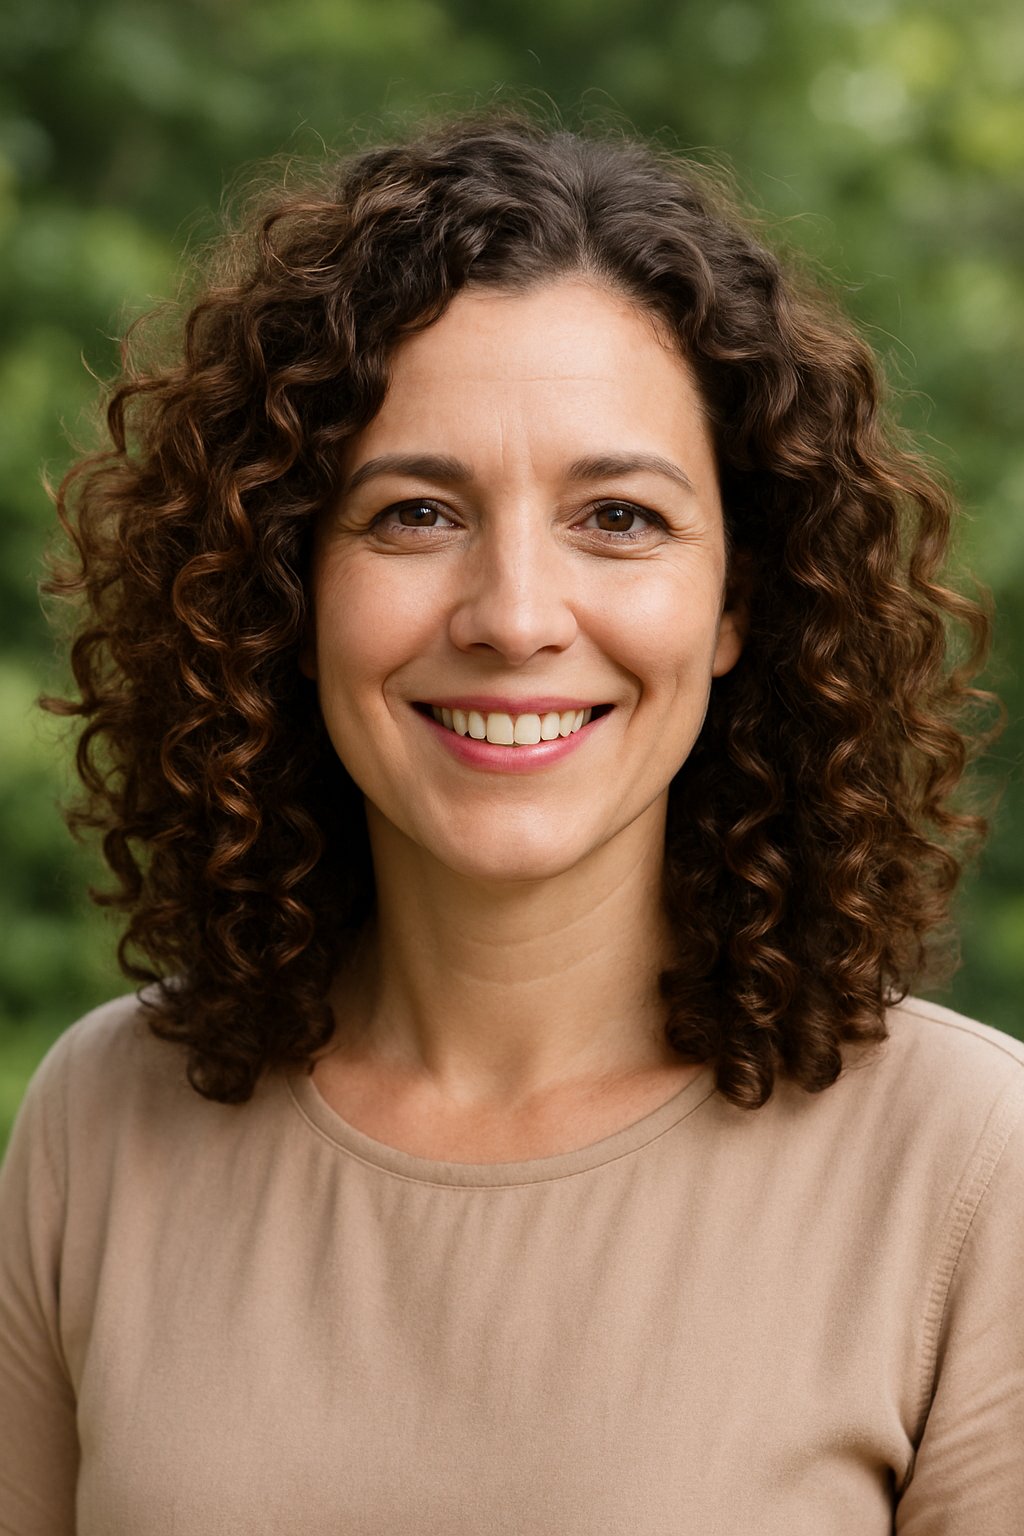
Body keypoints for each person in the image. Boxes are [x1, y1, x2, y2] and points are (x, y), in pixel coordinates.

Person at [0, 110, 1020, 1534]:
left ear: (740, 602)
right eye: (416, 514)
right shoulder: (99, 1124)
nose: (517, 618)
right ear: (286, 589)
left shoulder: (972, 1166)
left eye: (619, 519)